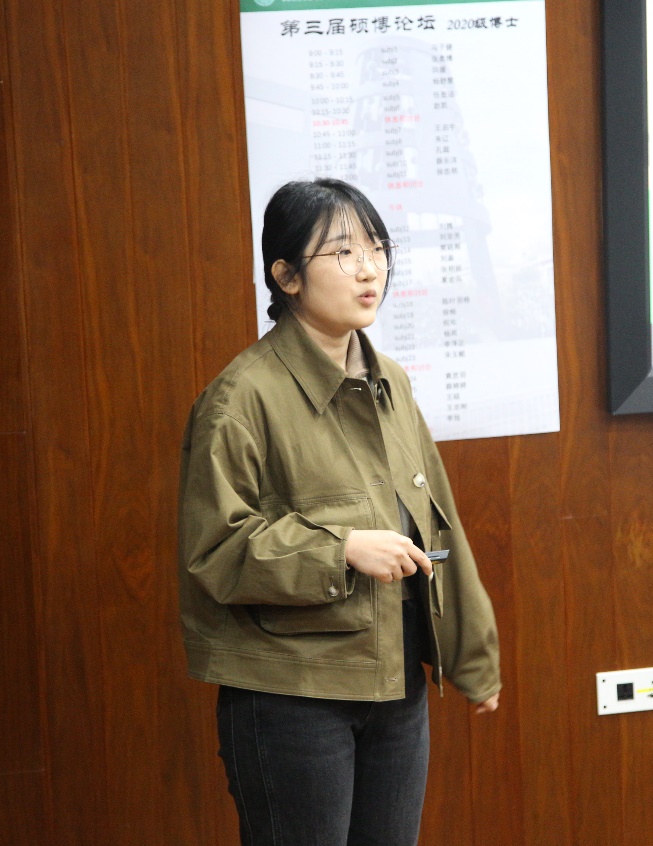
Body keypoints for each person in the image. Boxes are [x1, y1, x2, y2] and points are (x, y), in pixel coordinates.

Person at [177, 177, 501, 846]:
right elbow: (215, 549)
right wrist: (341, 550)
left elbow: (437, 518)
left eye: (377, 248)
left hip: (396, 683)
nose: (369, 269)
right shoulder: (239, 399)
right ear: (287, 276)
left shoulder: (390, 381)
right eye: (344, 252)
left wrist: (472, 658)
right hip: (290, 693)